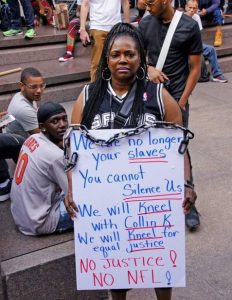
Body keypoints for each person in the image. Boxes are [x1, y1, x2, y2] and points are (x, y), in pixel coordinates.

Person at [65, 22, 196, 300]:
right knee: (116, 264)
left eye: (130, 54)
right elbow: (73, 149)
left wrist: (187, 183)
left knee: (160, 263)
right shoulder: (88, 97)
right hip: (107, 203)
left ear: (141, 57)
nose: (122, 59)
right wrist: (71, 187)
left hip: (151, 203)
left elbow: (180, 145)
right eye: (115, 54)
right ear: (107, 58)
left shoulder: (158, 96)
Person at [138, 0, 202, 231]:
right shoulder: (145, 25)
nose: (146, 4)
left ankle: (189, 203)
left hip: (177, 98)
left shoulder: (188, 26)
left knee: (180, 149)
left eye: (151, 1)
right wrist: (148, 69)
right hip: (149, 99)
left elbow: (195, 68)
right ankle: (155, 201)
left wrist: (182, 102)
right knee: (150, 149)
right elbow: (135, 59)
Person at [10, 102, 73, 235]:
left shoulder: (32, 138)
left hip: (22, 214)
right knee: (95, 204)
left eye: (64, 118)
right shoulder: (55, 156)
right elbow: (75, 193)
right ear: (42, 127)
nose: (62, 124)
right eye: (54, 121)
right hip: (40, 222)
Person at [0, 67, 45, 201]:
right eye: (33, 87)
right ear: (22, 86)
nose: (39, 91)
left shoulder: (24, 96)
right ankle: (3, 184)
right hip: (20, 147)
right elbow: (41, 140)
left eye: (42, 86)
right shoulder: (24, 108)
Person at [79, 0, 130, 82]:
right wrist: (82, 28)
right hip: (98, 27)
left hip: (116, 27)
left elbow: (125, 2)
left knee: (118, 61)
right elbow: (85, 4)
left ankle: (116, 89)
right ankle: (94, 91)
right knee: (97, 62)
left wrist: (128, 25)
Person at [185, 0, 228, 82]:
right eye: (190, 7)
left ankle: (217, 74)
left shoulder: (196, 17)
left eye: (194, 8)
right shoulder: (180, 17)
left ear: (197, 9)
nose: (192, 10)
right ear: (186, 7)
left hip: (193, 44)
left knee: (211, 49)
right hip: (182, 45)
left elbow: (198, 36)